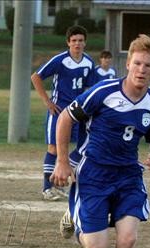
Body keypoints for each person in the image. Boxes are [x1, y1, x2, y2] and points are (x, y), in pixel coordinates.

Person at [50, 34, 150, 248]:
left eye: (148, 65)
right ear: (128, 64)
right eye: (137, 63)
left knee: (128, 239)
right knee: (96, 247)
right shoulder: (103, 92)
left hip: (129, 178)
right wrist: (62, 162)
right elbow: (65, 117)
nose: (141, 69)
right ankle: (74, 215)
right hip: (94, 174)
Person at [31, 25, 95, 201]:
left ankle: (58, 184)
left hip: (77, 112)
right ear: (68, 42)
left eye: (80, 40)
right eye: (74, 40)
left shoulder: (89, 62)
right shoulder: (60, 60)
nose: (77, 44)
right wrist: (47, 101)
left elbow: (90, 87)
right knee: (54, 148)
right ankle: (47, 188)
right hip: (59, 110)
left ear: (85, 43)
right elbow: (36, 77)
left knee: (77, 147)